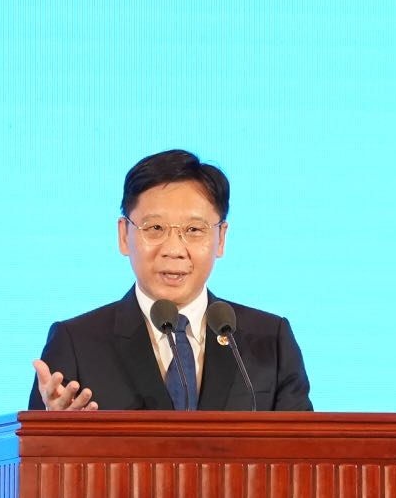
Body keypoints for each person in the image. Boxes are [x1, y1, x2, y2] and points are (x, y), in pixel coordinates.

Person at [28, 149, 312, 411]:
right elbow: (34, 448)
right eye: (155, 227)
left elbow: (304, 446)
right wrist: (55, 434)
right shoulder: (77, 344)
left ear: (221, 238)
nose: (174, 249)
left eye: (194, 230)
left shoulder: (268, 341)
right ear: (124, 235)